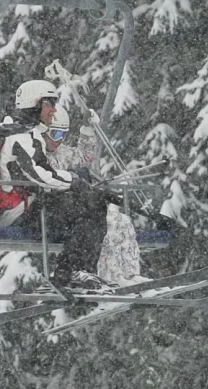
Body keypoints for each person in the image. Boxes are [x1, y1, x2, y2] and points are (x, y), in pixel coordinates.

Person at [0, 79, 109, 290]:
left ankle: (71, 272)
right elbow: (39, 173)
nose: (53, 110)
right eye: (48, 103)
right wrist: (74, 181)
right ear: (32, 104)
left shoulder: (27, 133)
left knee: (90, 205)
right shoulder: (17, 135)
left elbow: (45, 171)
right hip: (17, 213)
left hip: (27, 206)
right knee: (88, 206)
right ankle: (71, 271)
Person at [43, 109, 144, 285]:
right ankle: (89, 272)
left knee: (121, 220)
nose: (59, 140)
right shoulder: (36, 155)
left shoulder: (62, 153)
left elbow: (85, 156)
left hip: (72, 206)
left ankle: (128, 273)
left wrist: (87, 130)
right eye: (55, 133)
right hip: (54, 208)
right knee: (97, 221)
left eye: (63, 135)